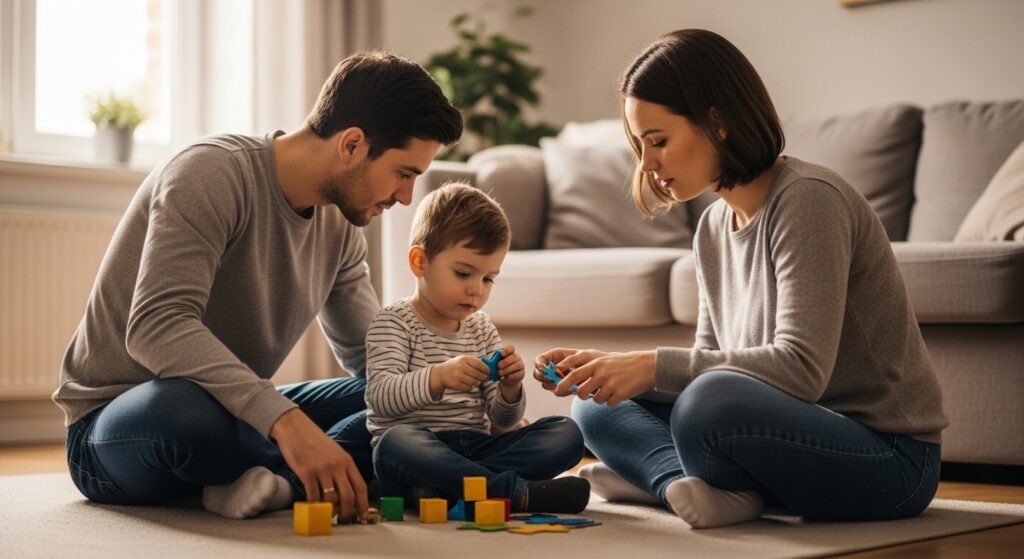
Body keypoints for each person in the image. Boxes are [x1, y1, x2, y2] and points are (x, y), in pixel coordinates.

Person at [533, 29, 948, 528]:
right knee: (593, 403)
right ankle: (674, 483)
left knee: (708, 404)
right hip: (786, 441)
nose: (646, 165)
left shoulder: (809, 201)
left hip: (890, 461)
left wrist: (650, 364)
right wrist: (611, 370)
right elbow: (710, 359)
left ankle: (659, 476)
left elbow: (802, 370)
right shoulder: (712, 226)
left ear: (718, 121)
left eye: (658, 141)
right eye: (640, 146)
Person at [53, 51, 463, 521]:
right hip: (120, 424)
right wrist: (287, 424)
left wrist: (458, 403)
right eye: (404, 173)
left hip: (238, 414)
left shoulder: (342, 227)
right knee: (185, 412)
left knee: (404, 394)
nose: (407, 197)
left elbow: (376, 359)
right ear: (351, 145)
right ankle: (328, 464)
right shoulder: (210, 174)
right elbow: (156, 327)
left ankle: (279, 480)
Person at [366, 183, 589, 514]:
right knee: (394, 445)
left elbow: (501, 419)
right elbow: (380, 397)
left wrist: (511, 389)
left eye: (488, 279)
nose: (476, 290)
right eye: (463, 273)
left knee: (566, 433)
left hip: (476, 448)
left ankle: (450, 488)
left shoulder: (481, 328)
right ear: (419, 261)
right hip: (418, 448)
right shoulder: (393, 322)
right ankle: (515, 493)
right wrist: (438, 377)